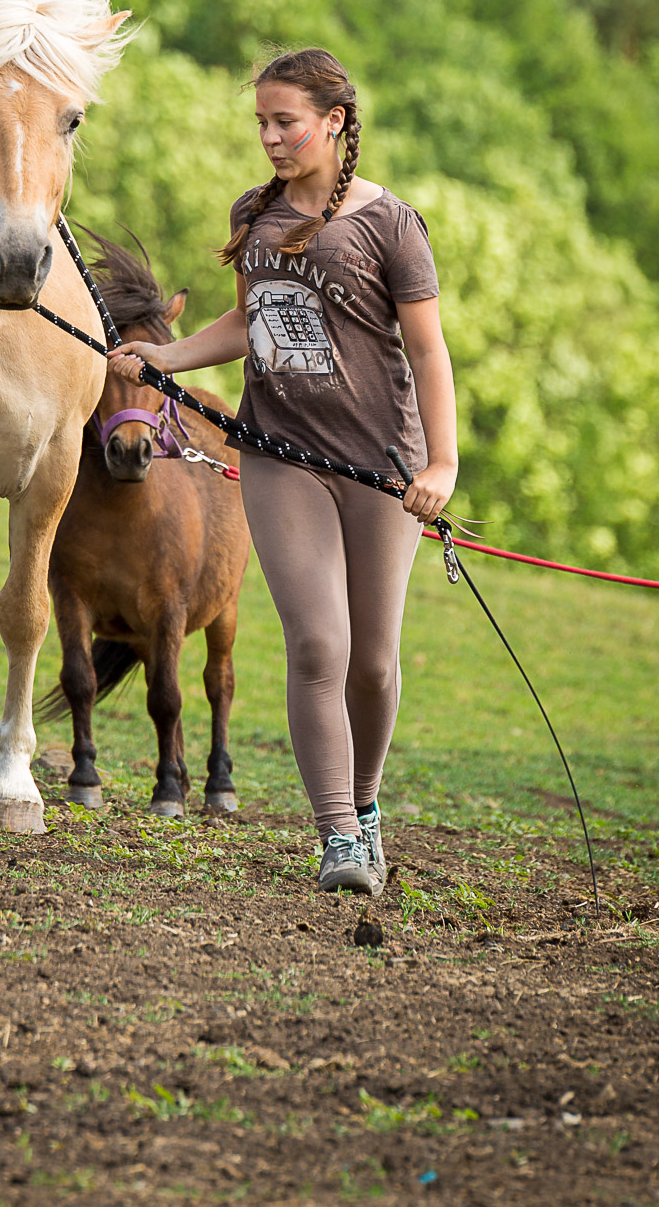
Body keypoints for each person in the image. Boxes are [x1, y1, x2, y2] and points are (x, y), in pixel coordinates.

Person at [108, 49, 458, 895]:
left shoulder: (392, 225)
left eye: (284, 122)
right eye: (261, 122)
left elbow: (428, 350)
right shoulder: (254, 215)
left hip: (381, 466)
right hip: (280, 455)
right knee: (317, 644)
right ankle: (338, 834)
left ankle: (366, 808)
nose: (269, 137)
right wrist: (163, 358)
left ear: (334, 122)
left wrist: (442, 462)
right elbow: (245, 322)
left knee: (372, 662)